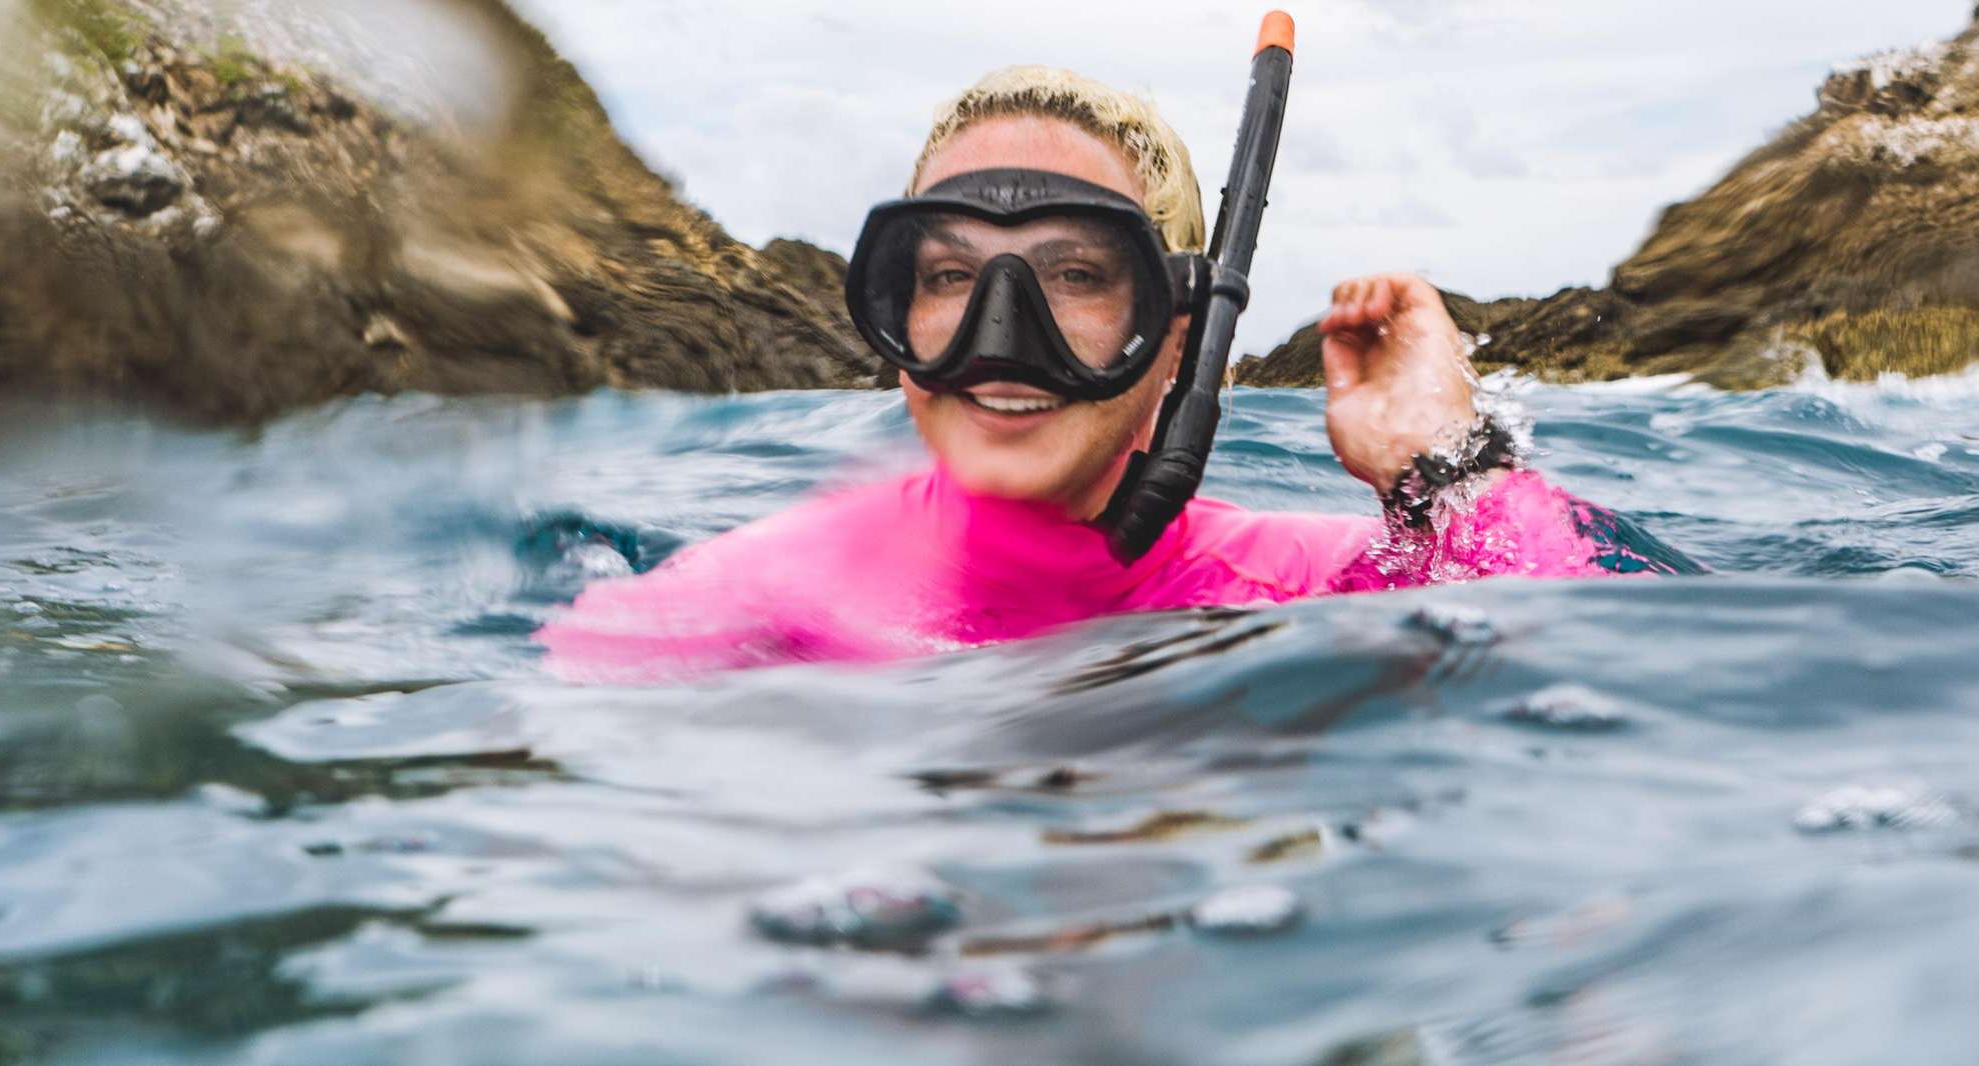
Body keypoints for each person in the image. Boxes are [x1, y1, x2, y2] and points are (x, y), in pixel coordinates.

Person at [537, 67, 1665, 682]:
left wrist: (1447, 468)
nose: (999, 335)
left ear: (1180, 336)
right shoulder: (755, 590)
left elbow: (1615, 665)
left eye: (1074, 275)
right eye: (948, 275)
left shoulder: (1301, 585)